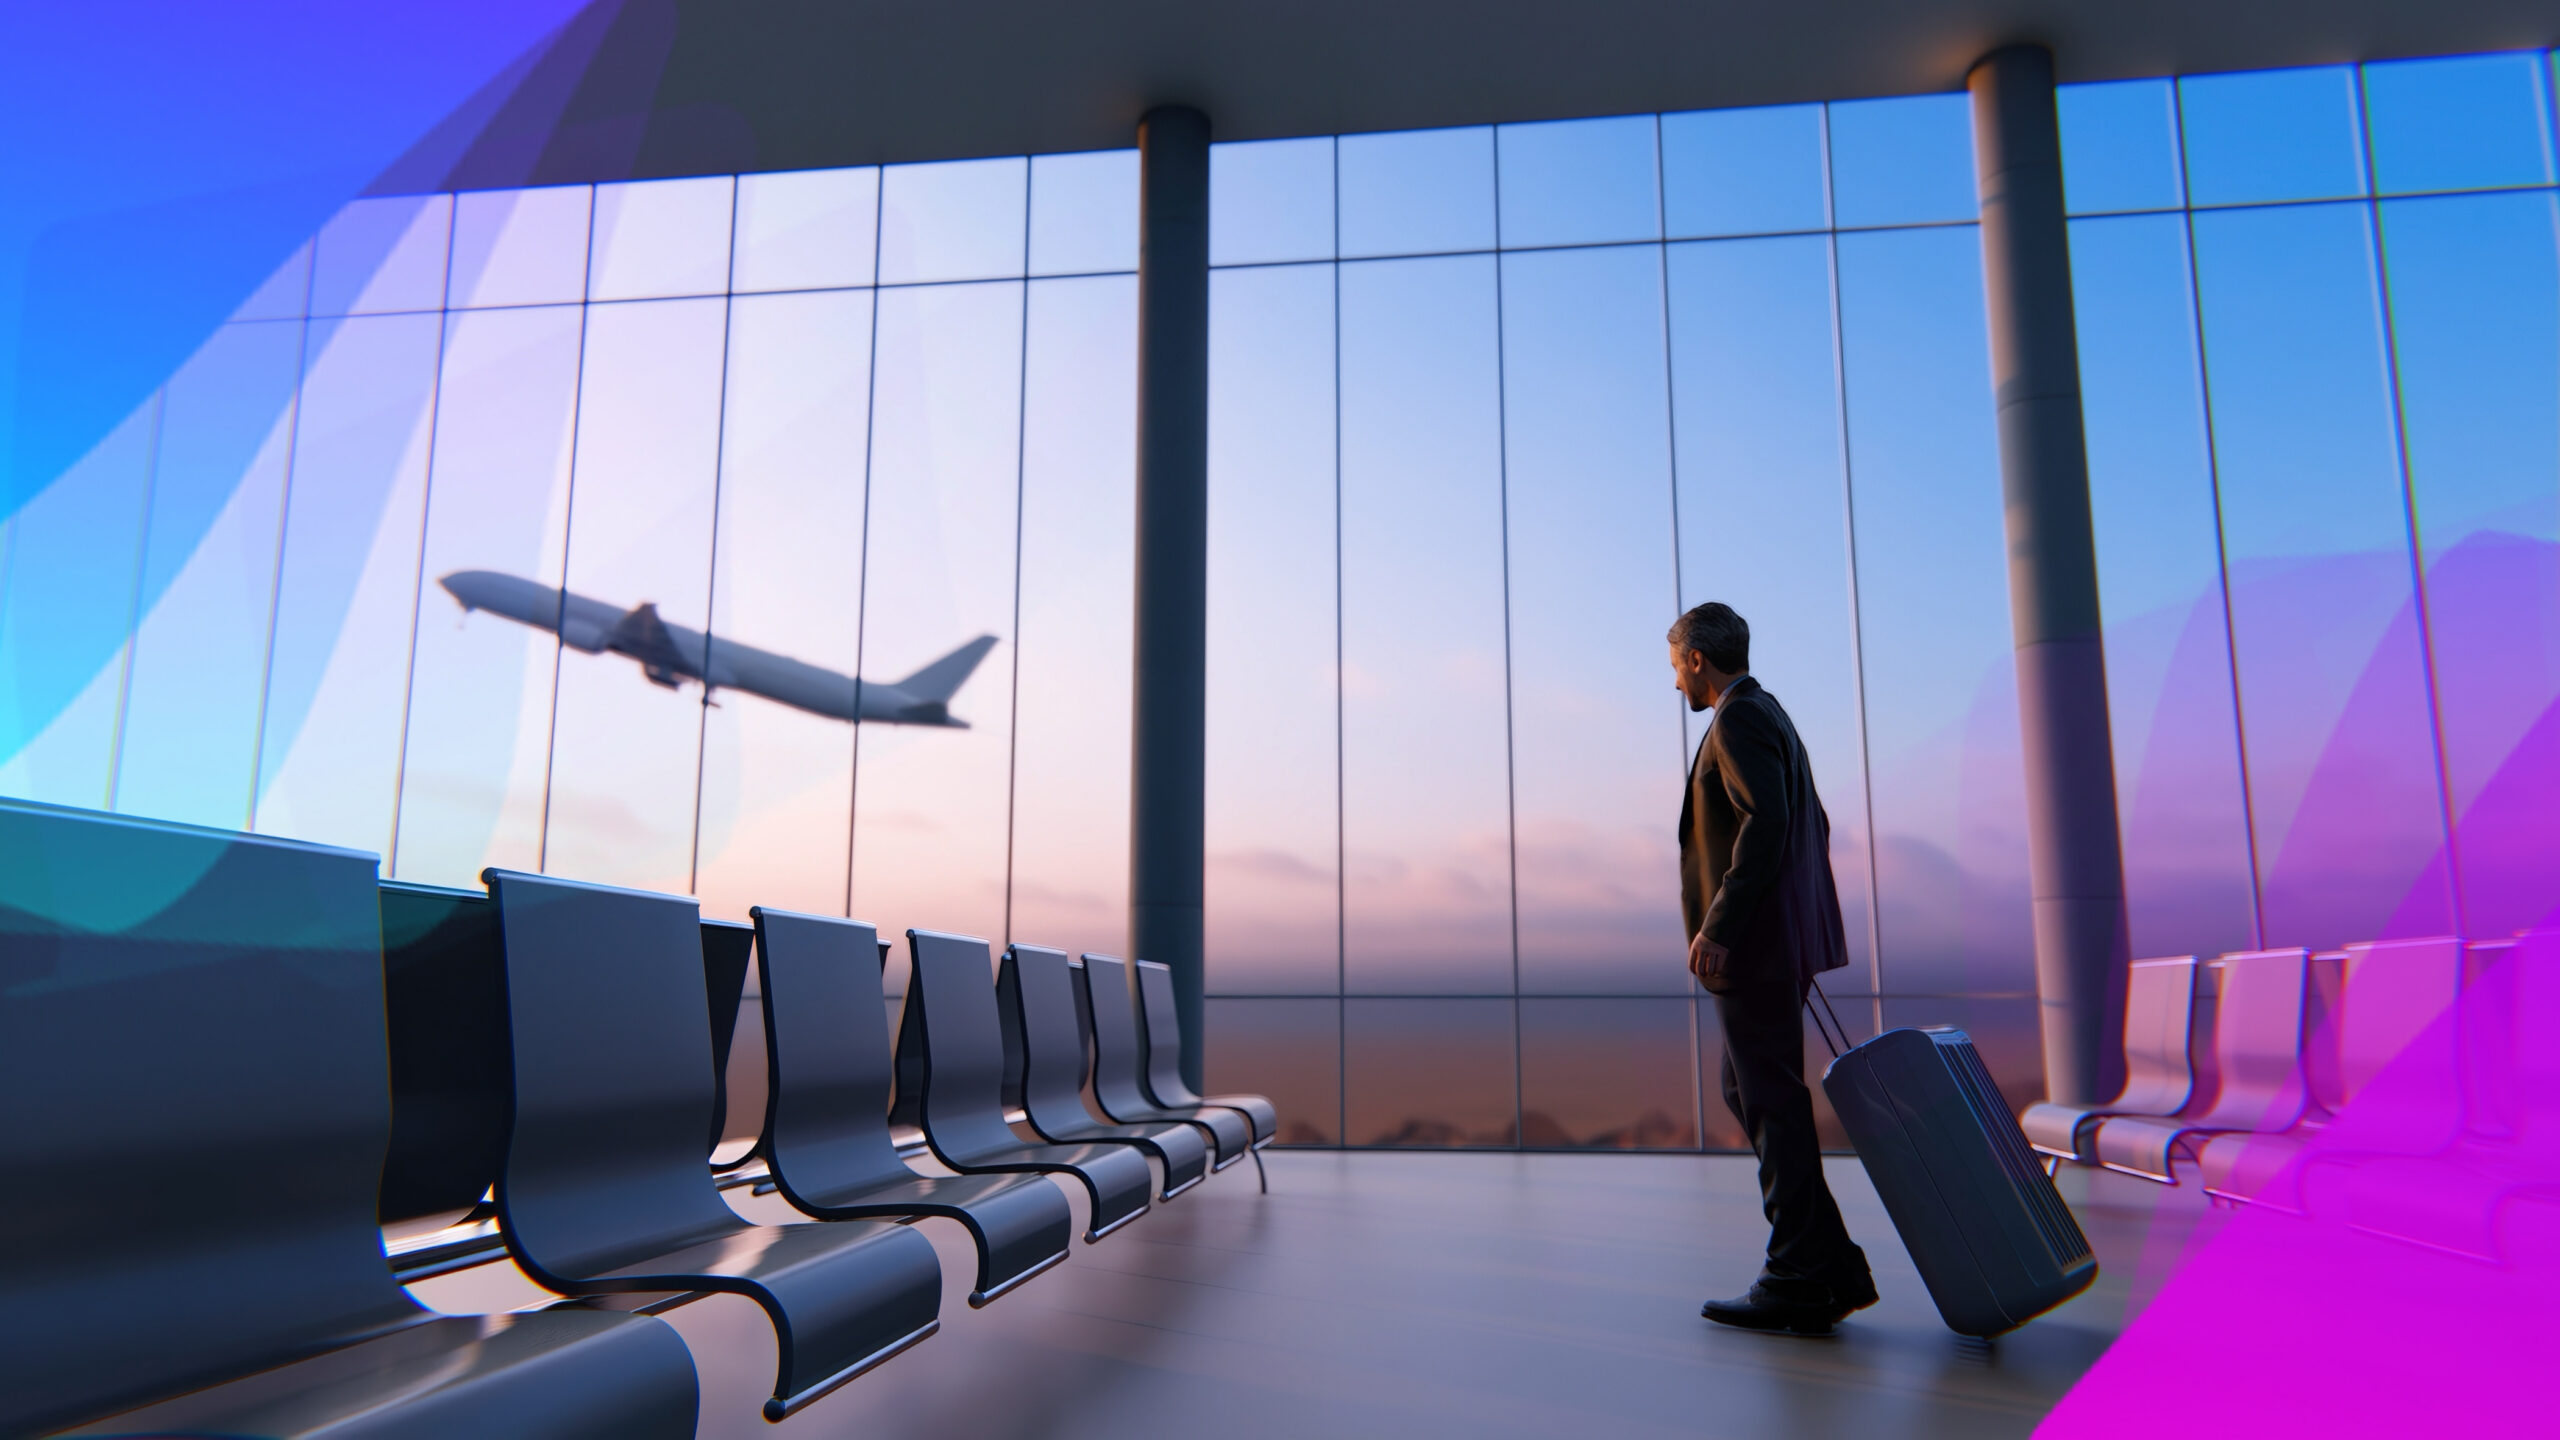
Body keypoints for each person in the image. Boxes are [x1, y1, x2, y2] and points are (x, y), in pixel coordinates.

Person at [1669, 600, 1876, 1336]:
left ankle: (1801, 1273)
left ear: (1698, 658)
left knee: (1769, 1100)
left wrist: (1720, 927)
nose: (1675, 686)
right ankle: (1825, 1265)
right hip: (1775, 943)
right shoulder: (1770, 712)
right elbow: (1808, 821)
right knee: (1756, 1092)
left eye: (1676, 668)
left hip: (1753, 948)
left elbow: (1771, 823)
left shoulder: (1736, 718)